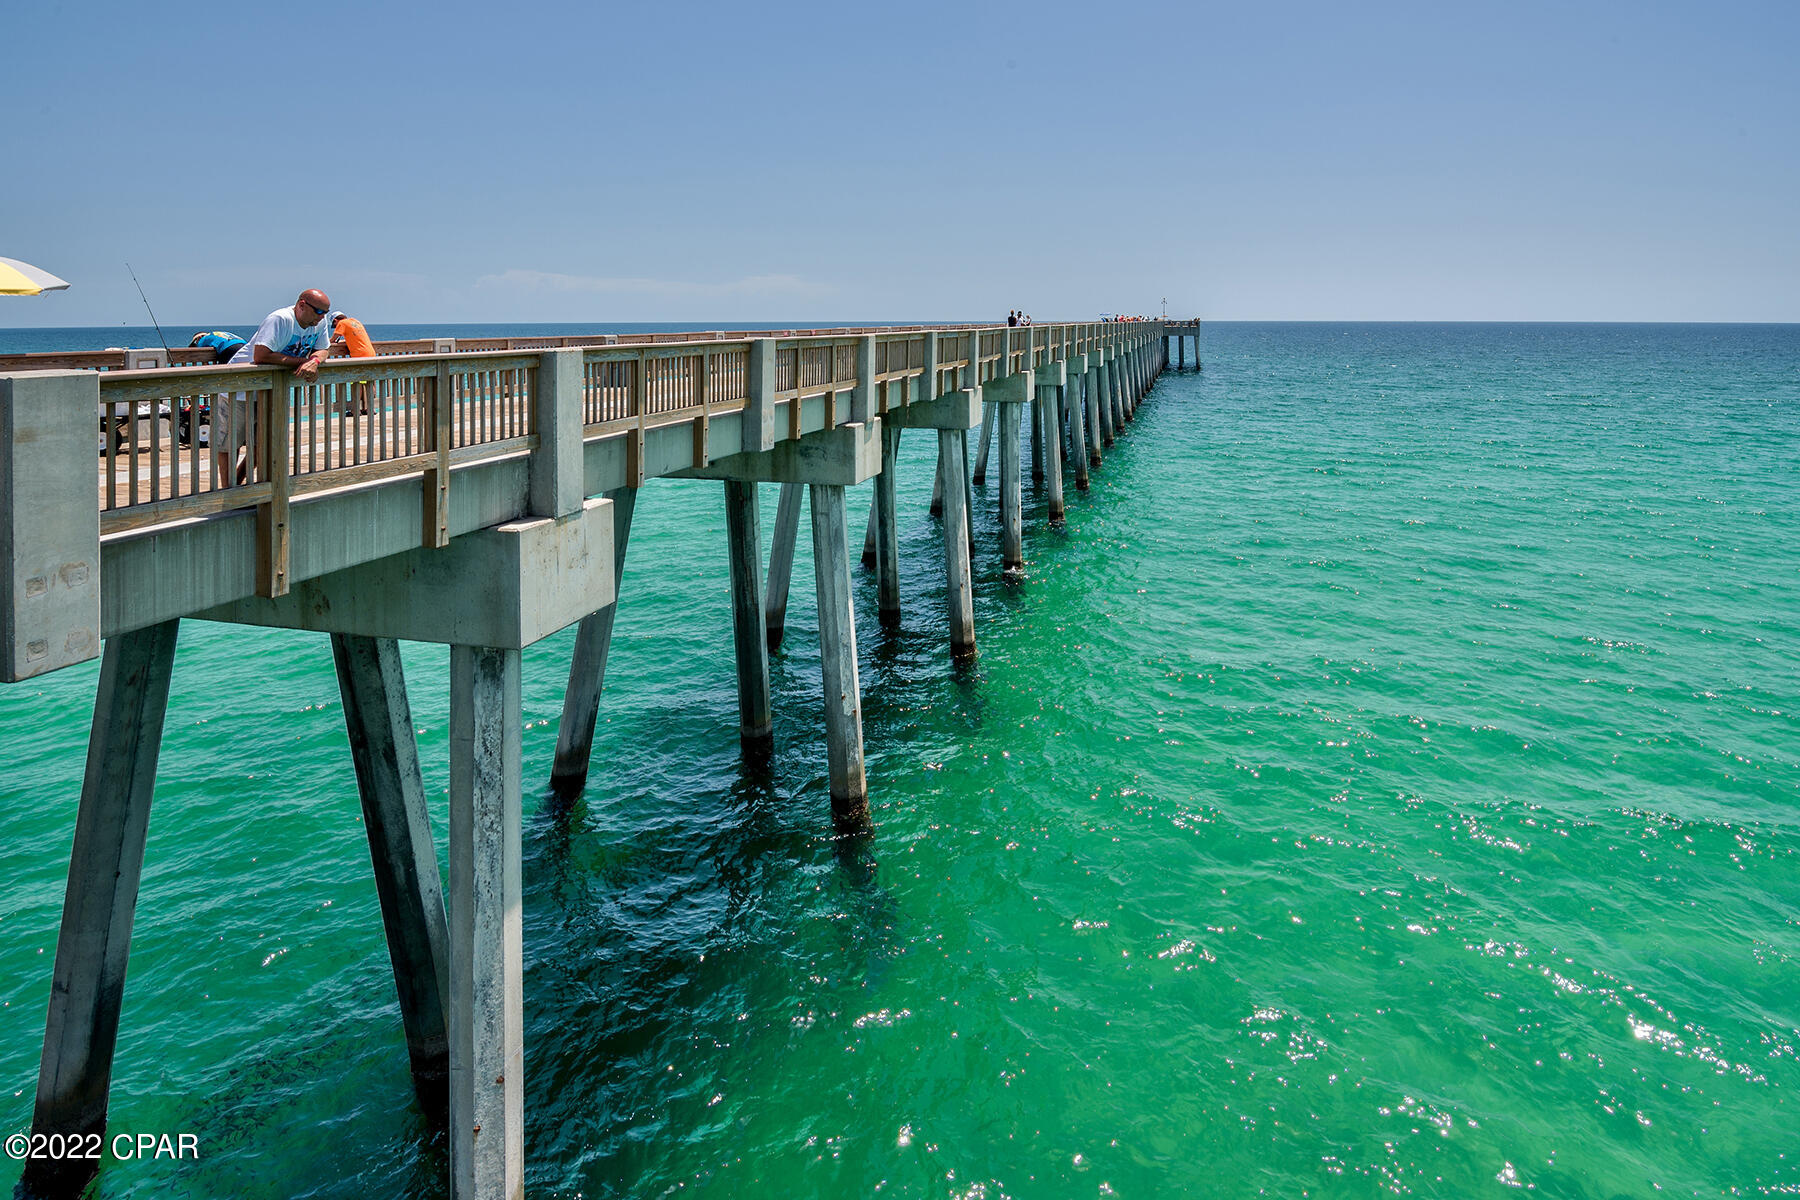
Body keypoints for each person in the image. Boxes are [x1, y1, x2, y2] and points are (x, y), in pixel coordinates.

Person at [214, 289, 334, 485]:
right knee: (229, 443)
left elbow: (323, 348)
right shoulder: (280, 319)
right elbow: (261, 355)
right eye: (318, 312)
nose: (322, 317)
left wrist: (315, 361)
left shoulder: (318, 323)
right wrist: (301, 362)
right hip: (239, 389)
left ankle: (236, 482)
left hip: (268, 392)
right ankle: (229, 490)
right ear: (302, 305)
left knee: (264, 445)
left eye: (326, 313)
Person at [328, 310, 377, 413]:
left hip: (359, 355)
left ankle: (355, 410)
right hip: (370, 353)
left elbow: (332, 340)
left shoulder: (342, 323)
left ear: (336, 320)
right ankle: (370, 408)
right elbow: (355, 338)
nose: (335, 327)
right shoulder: (355, 322)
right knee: (369, 382)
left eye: (334, 324)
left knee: (356, 382)